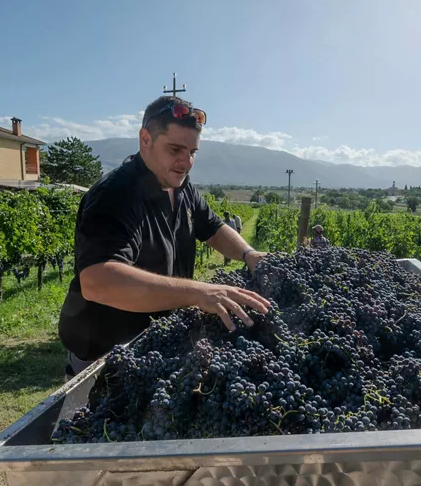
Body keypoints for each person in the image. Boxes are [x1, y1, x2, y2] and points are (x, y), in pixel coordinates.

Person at [58, 95, 270, 380]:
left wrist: (248, 254)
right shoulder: (114, 196)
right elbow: (98, 282)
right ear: (145, 139)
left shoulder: (181, 186)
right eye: (175, 149)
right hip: (103, 354)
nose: (186, 162)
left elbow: (213, 227)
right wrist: (198, 292)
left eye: (193, 151)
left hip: (153, 346)